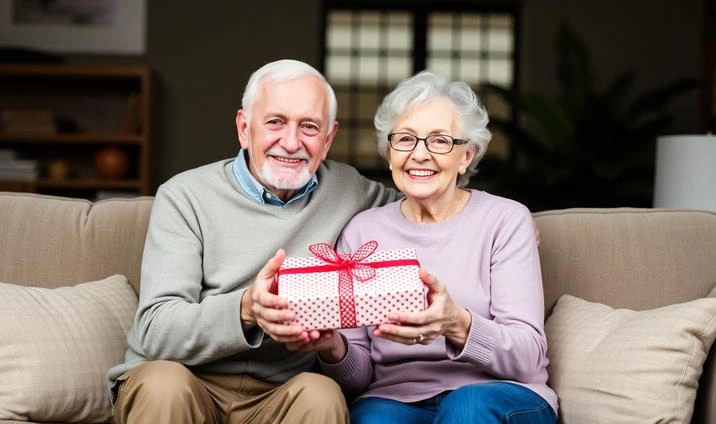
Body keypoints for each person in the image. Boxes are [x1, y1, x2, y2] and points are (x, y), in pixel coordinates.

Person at [106, 59, 400, 424]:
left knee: (321, 394)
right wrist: (246, 309)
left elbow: (426, 209)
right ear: (245, 128)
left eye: (309, 127)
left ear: (328, 140)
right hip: (184, 376)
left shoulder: (351, 190)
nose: (291, 143)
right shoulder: (185, 195)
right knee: (165, 385)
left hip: (281, 392)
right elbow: (156, 330)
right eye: (275, 122)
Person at [310, 72, 559, 423]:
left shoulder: (505, 221)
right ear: (389, 152)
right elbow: (357, 379)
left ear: (466, 155)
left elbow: (527, 356)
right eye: (406, 139)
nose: (420, 155)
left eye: (440, 141)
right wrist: (333, 348)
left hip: (501, 393)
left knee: (467, 408)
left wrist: (456, 322)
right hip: (395, 398)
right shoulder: (361, 233)